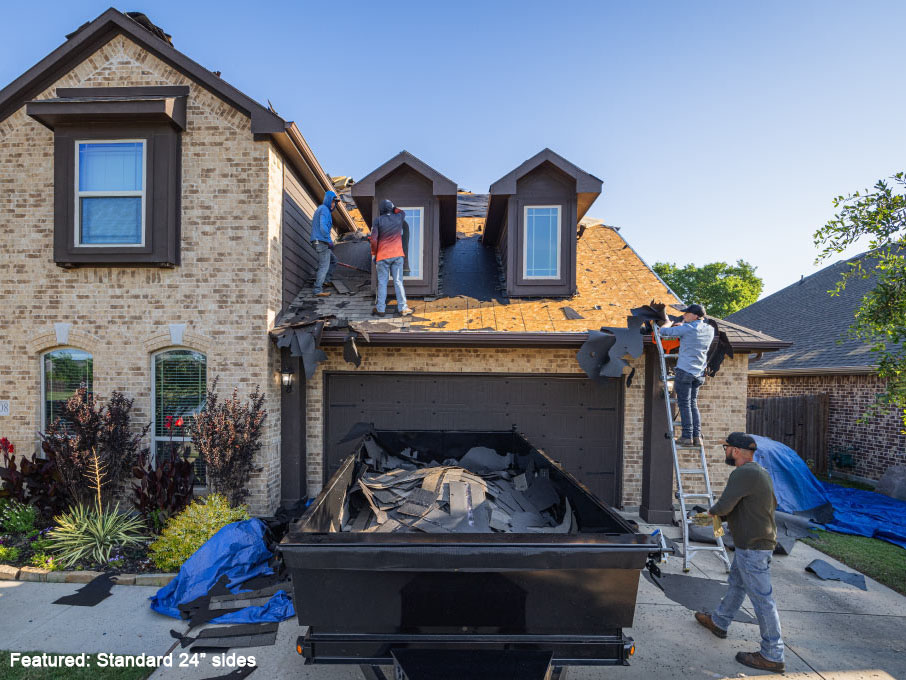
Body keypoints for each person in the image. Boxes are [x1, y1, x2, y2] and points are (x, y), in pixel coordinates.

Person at [695, 432, 785, 674]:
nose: (724, 452)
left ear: (735, 450)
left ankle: (773, 654)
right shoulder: (760, 472)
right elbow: (767, 504)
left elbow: (724, 505)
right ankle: (719, 621)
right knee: (736, 584)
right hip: (753, 545)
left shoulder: (743, 473)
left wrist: (705, 517)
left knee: (763, 601)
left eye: (725, 448)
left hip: (754, 547)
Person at [658, 303, 714, 446]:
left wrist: (667, 323)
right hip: (699, 373)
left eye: (686, 313)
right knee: (693, 404)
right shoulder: (709, 329)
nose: (683, 315)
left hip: (685, 371)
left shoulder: (687, 329)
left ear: (695, 315)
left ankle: (687, 437)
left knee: (684, 404)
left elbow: (662, 332)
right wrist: (682, 325)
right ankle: (697, 437)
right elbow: (692, 330)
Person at [370, 199, 411, 317]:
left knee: (382, 282)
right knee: (398, 281)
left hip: (382, 256)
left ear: (381, 209)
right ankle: (403, 308)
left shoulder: (378, 220)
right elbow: (402, 212)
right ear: (391, 208)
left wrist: (374, 254)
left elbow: (373, 239)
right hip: (397, 255)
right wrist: (394, 208)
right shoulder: (399, 217)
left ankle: (381, 309)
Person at [311, 191, 340, 297]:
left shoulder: (322, 209)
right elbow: (323, 226)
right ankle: (317, 290)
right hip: (322, 242)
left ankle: (326, 280)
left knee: (333, 260)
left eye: (335, 203)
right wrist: (329, 240)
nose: (333, 204)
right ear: (328, 200)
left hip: (320, 241)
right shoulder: (324, 209)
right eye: (332, 201)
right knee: (324, 266)